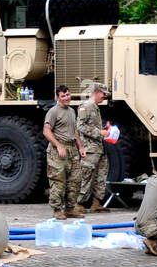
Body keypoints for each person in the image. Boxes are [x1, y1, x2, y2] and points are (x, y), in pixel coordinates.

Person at [42, 84, 84, 220]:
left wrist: (80, 147)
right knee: (58, 180)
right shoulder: (53, 111)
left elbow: (75, 131)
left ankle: (70, 208)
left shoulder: (72, 111)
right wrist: (59, 146)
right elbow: (46, 131)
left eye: (68, 95)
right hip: (58, 150)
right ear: (57, 97)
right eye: (63, 96)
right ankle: (56, 209)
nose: (66, 98)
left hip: (72, 149)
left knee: (75, 180)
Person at [77, 82, 112, 212]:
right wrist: (99, 133)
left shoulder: (95, 108)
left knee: (100, 176)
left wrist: (104, 130)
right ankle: (78, 204)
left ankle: (96, 203)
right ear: (97, 93)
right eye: (103, 94)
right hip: (90, 149)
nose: (104, 97)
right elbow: (80, 126)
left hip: (99, 148)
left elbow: (92, 126)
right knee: (86, 176)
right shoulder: (85, 107)